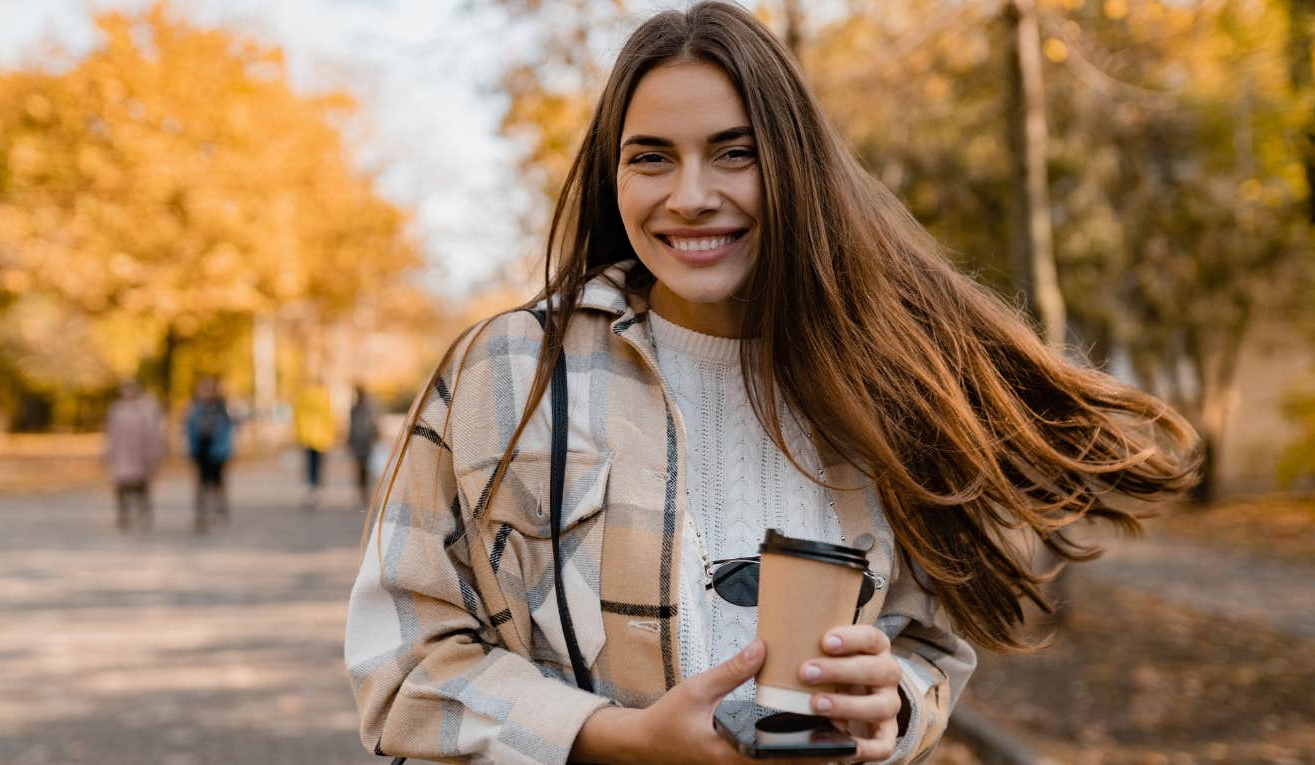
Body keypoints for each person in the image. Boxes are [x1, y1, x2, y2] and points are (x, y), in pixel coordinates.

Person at [344, 4, 1199, 764]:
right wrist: (616, 738)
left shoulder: (883, 378)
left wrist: (890, 703)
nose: (690, 195)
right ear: (615, 177)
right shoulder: (506, 372)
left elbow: (929, 646)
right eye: (651, 158)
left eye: (733, 154)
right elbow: (404, 665)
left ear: (793, 166)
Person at [103, 379, 167, 531]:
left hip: (140, 454)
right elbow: (111, 433)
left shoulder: (145, 409)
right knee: (121, 486)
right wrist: (108, 452)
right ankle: (123, 516)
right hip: (122, 453)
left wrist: (154, 453)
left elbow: (153, 433)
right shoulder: (116, 409)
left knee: (141, 486)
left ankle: (143, 513)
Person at [185, 376, 234, 532]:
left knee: (217, 482)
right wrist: (191, 449)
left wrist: (225, 450)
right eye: (203, 389)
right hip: (200, 450)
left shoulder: (221, 409)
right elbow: (189, 430)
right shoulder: (194, 409)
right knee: (200, 483)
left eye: (208, 389)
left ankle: (218, 508)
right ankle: (201, 513)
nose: (205, 393)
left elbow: (227, 431)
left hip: (217, 450)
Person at [293, 381, 336, 511]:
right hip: (321, 438)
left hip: (307, 437)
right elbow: (329, 418)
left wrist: (299, 435)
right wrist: (330, 437)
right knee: (319, 466)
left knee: (309, 466)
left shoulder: (303, 397)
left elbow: (298, 417)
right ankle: (317, 491)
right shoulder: (324, 397)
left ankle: (310, 491)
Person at [346, 385, 380, 507]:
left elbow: (373, 423)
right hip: (360, 442)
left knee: (364, 468)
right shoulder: (356, 408)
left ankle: (364, 492)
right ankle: (363, 492)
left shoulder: (365, 408)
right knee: (361, 468)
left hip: (364, 441)